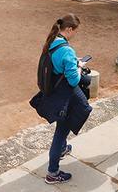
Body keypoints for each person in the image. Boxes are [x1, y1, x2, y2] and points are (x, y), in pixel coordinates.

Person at [37, 13, 92, 184]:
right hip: (65, 96)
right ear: (69, 29)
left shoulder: (51, 43)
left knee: (61, 129)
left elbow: (56, 64)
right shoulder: (67, 50)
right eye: (75, 31)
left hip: (53, 92)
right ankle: (52, 173)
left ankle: (61, 149)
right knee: (61, 131)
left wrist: (72, 62)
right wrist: (79, 66)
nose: (76, 34)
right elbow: (74, 80)